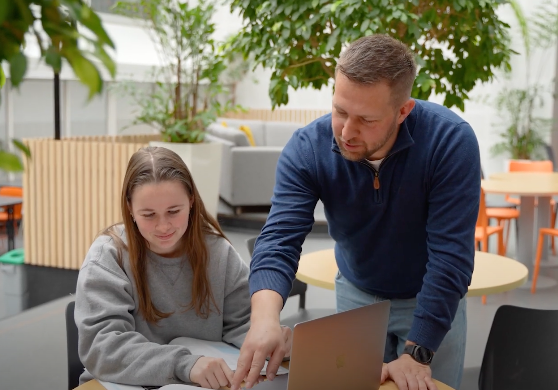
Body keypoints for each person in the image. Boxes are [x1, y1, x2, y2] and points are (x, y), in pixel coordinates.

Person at [232, 34, 480, 390]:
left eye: (366, 119)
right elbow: (278, 241)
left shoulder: (450, 142)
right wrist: (265, 320)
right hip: (356, 294)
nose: (346, 132)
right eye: (340, 111)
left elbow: (451, 257)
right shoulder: (308, 149)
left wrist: (419, 352)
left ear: (403, 111)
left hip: (432, 297)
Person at [74, 146, 290, 389]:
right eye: (149, 215)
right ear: (130, 209)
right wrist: (184, 365)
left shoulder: (218, 252)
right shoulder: (108, 258)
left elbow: (241, 323)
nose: (163, 226)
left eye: (174, 211)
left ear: (191, 201)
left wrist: (268, 339)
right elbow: (102, 348)